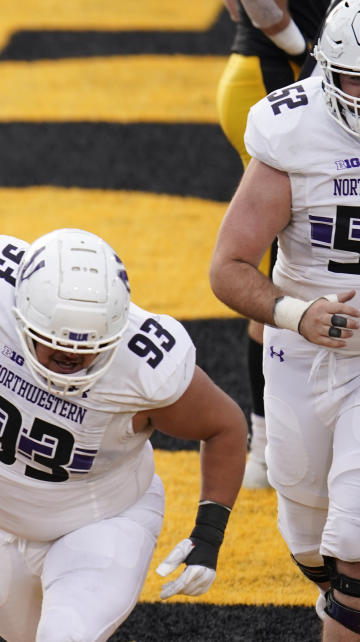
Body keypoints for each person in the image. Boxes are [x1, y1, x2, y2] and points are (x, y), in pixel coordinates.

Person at [0, 197, 246, 641]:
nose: (73, 358)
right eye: (56, 344)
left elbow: (224, 425)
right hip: (5, 527)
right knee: (11, 624)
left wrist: (210, 534)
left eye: (89, 347)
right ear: (21, 317)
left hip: (103, 523)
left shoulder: (143, 369)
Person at [209, 1, 360, 636]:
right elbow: (230, 266)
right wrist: (299, 315)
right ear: (327, 71)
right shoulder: (293, 128)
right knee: (308, 536)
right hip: (302, 346)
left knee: (355, 544)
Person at [216, 0, 330, 489]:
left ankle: (270, 444)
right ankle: (265, 446)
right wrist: (308, 50)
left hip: (277, 66)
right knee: (280, 258)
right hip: (275, 71)